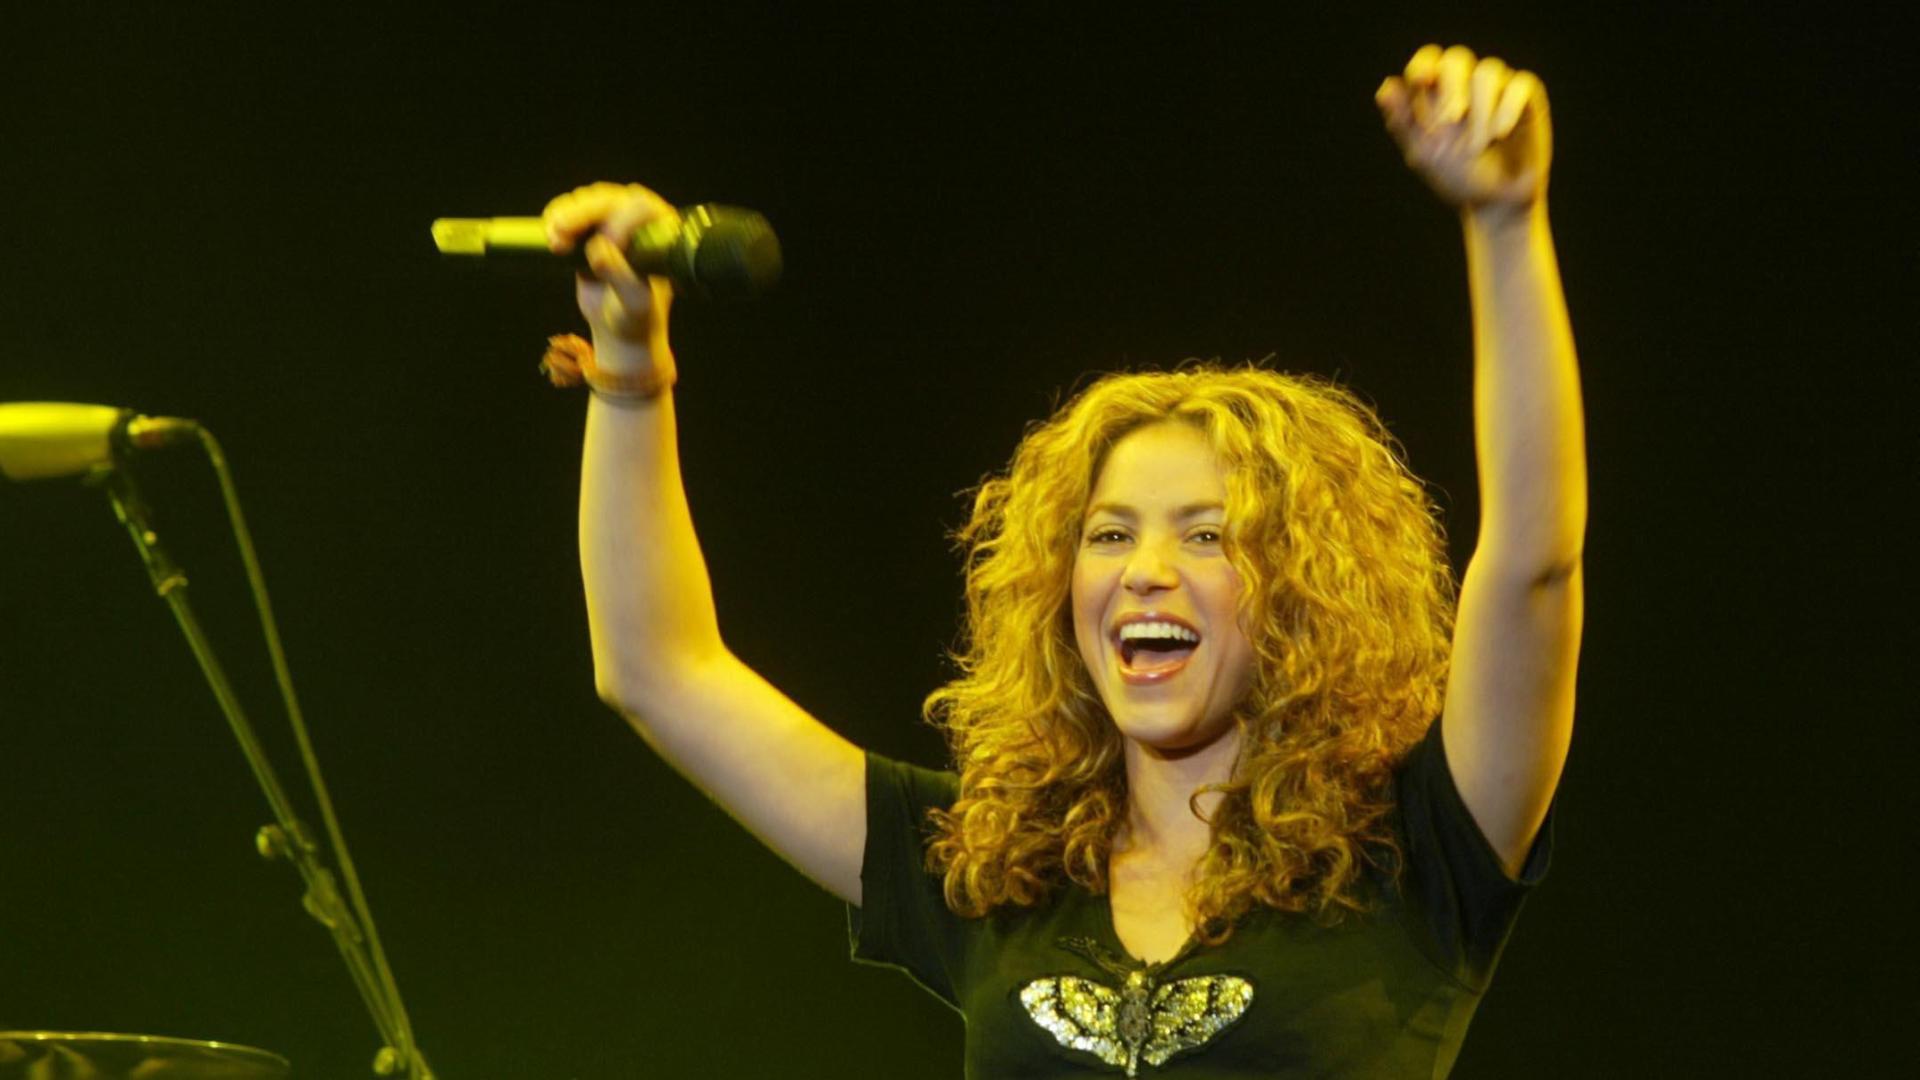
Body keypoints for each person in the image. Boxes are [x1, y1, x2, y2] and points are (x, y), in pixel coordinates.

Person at [536, 42, 1583, 1079]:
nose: (1144, 569)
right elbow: (658, 669)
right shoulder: (997, 867)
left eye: (1207, 535)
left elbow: (1534, 563)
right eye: (1111, 534)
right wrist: (631, 367)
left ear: (1305, 592)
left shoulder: (1415, 856)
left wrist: (1503, 223)